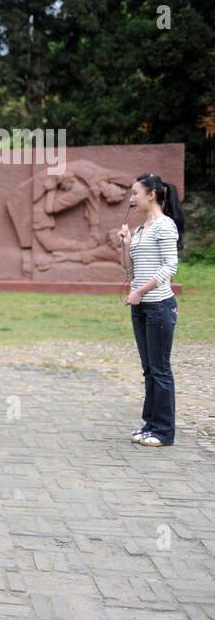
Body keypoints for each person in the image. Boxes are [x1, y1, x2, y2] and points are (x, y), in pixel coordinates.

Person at [119, 173, 184, 448]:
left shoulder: (165, 226)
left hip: (158, 306)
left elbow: (170, 267)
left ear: (151, 195)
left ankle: (164, 431)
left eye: (135, 193)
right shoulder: (143, 229)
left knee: (160, 369)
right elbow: (128, 269)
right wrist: (125, 243)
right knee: (149, 369)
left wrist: (140, 291)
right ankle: (150, 425)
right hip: (141, 307)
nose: (131, 199)